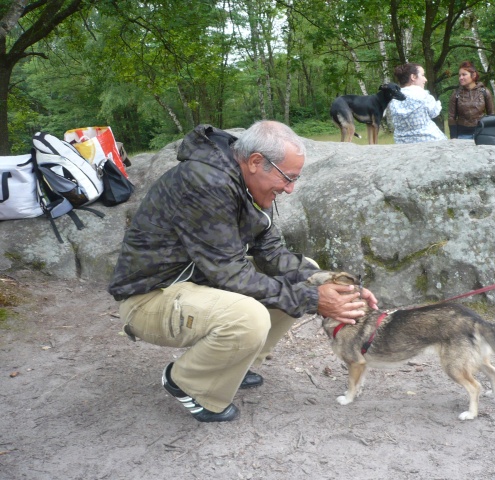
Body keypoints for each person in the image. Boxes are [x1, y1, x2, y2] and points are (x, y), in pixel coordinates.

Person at [108, 121, 378, 422]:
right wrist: (315, 298)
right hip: (150, 298)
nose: (290, 189)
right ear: (255, 162)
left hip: (198, 285)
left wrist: (340, 288)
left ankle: (232, 365)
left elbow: (272, 253)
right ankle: (188, 382)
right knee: (251, 315)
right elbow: (230, 274)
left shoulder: (243, 182)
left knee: (308, 275)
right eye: (288, 178)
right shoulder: (205, 183)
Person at [388, 63, 447, 144]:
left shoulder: (393, 100)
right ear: (413, 77)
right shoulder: (423, 95)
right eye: (422, 75)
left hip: (402, 143)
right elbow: (434, 113)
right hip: (429, 141)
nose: (425, 79)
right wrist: (438, 104)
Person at [448, 61, 495, 139]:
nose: (461, 78)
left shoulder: (484, 92)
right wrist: (453, 137)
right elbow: (451, 117)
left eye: (464, 74)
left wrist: (491, 134)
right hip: (462, 135)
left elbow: (492, 114)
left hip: (482, 133)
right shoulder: (456, 94)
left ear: (473, 75)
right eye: (459, 75)